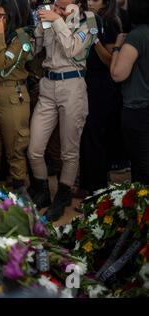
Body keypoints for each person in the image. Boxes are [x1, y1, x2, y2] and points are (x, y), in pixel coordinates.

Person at [27, 0, 98, 221]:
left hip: (72, 86)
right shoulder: (50, 14)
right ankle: (42, 192)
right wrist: (38, 28)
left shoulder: (89, 21)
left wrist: (57, 21)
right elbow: (32, 51)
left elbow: (72, 50)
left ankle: (63, 194)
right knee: (34, 148)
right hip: (47, 86)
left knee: (69, 150)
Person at [0, 0, 32, 191]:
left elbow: (2, 63)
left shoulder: (23, 37)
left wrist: (1, 34)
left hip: (14, 94)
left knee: (15, 148)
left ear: (12, 16)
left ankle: (19, 192)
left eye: (3, 16)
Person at [78, 0, 122, 195]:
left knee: (95, 135)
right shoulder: (87, 20)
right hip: (87, 81)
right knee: (86, 134)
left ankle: (98, 189)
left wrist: (94, 37)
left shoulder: (110, 22)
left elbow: (110, 60)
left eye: (94, 0)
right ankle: (86, 185)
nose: (89, 2)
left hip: (102, 85)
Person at [110, 0, 149, 184]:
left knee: (141, 170)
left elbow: (118, 74)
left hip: (137, 109)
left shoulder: (136, 36)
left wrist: (117, 46)